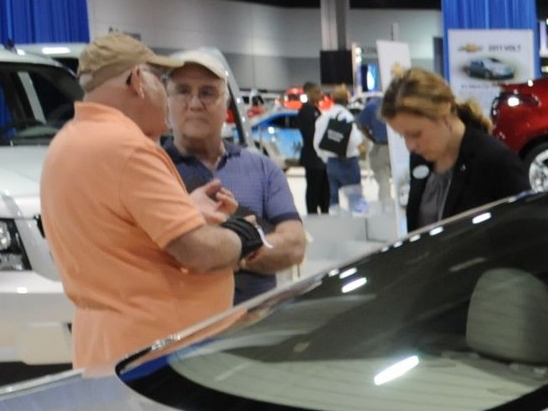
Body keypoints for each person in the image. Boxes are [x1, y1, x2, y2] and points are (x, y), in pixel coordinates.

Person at [40, 32, 266, 370]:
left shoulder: (66, 144)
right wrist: (242, 236)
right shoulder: (128, 149)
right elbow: (198, 252)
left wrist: (186, 209)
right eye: (159, 79)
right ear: (136, 80)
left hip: (105, 345)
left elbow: (117, 235)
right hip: (162, 352)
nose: (164, 92)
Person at [161, 47, 306, 306]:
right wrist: (249, 240)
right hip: (183, 331)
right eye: (183, 91)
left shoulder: (262, 169)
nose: (194, 104)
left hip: (256, 327)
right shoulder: (153, 171)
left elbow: (294, 245)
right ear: (167, 100)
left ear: (225, 103)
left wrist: (219, 251)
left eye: (207, 92)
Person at [382, 67, 527, 227]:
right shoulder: (420, 158)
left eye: (416, 134)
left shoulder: (496, 162)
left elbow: (526, 237)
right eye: (403, 136)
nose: (410, 146)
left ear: (444, 115)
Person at [313, 83, 367, 215]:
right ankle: (357, 225)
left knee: (333, 197)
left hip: (331, 163)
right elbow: (355, 140)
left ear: (332, 98)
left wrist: (326, 157)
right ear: (347, 99)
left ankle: (336, 223)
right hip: (348, 161)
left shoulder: (324, 116)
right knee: (354, 197)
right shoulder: (347, 116)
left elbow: (317, 143)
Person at [355, 83, 394, 213]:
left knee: (383, 180)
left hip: (381, 146)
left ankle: (385, 209)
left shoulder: (372, 106)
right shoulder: (399, 103)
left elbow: (361, 125)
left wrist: (372, 138)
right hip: (400, 147)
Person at [292, 92, 331, 214]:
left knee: (323, 186)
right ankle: (312, 211)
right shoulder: (306, 111)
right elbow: (310, 133)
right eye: (317, 91)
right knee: (313, 186)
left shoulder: (314, 110)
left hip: (320, 157)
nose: (320, 94)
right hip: (312, 157)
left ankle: (324, 209)